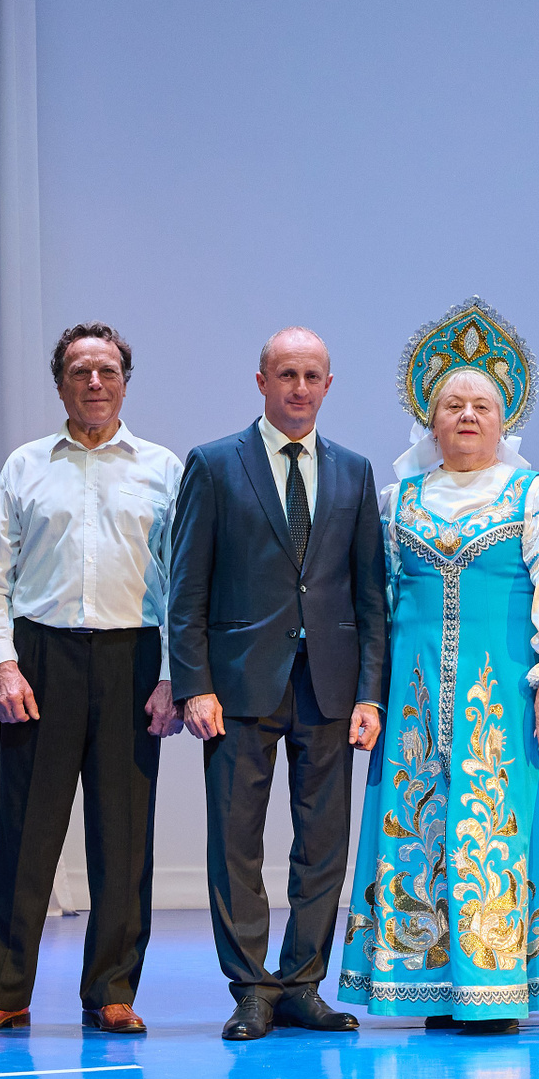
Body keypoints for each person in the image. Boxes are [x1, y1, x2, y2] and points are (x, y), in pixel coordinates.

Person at [339, 298, 539, 1035]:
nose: (466, 415)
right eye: (452, 405)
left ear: (504, 418)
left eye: (481, 405)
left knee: (500, 823)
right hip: (417, 697)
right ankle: (430, 981)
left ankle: (497, 983)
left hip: (506, 699)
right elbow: (377, 604)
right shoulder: (397, 501)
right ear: (429, 421)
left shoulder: (533, 495)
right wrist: (371, 696)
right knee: (420, 825)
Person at [0, 321, 183, 1037]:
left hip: (132, 659)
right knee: (24, 833)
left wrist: (172, 676)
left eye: (107, 370)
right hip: (41, 660)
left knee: (124, 837)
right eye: (80, 371)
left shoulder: (163, 469)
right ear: (60, 384)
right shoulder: (25, 466)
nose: (94, 382)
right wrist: (4, 666)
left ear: (125, 383)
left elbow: (183, 587)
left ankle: (112, 990)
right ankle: (2, 991)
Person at [168, 326, 390, 1042]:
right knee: (235, 841)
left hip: (328, 686)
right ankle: (252, 988)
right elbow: (186, 588)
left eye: (311, 375)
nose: (299, 387)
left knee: (323, 843)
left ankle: (301, 984)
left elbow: (370, 596)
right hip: (237, 687)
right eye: (286, 374)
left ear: (329, 385)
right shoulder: (214, 464)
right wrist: (193, 683)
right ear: (261, 381)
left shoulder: (354, 471)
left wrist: (371, 692)